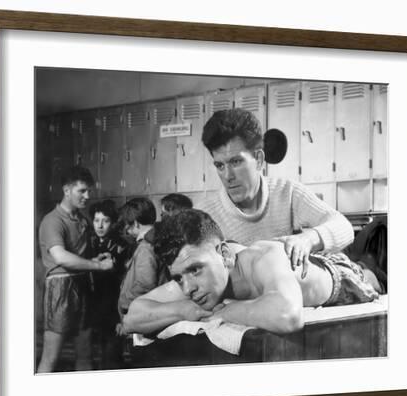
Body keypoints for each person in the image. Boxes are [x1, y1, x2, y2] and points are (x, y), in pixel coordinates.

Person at [123, 209, 380, 336]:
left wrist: (224, 311)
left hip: (345, 277)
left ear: (224, 255)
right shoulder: (193, 278)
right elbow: (133, 315)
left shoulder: (263, 258)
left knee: (384, 271)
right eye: (179, 277)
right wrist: (183, 310)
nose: (188, 288)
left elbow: (288, 316)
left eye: (195, 270)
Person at [198, 108, 354, 277]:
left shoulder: (288, 192)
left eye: (236, 162)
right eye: (220, 165)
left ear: (258, 160)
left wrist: (307, 239)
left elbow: (344, 227)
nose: (227, 176)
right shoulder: (203, 215)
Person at [37, 166, 114, 373]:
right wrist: (98, 265)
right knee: (51, 357)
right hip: (60, 290)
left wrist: (94, 258)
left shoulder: (82, 220)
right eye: (82, 191)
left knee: (85, 354)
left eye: (89, 191)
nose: (87, 196)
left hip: (82, 286)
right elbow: (61, 257)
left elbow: (79, 258)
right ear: (67, 190)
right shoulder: (52, 221)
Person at [88, 199, 129, 369]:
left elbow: (124, 280)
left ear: (112, 223)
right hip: (95, 304)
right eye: (97, 220)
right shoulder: (90, 243)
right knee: (98, 351)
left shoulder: (121, 245)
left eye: (105, 221)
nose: (100, 225)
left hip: (114, 305)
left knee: (112, 353)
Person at [117, 197, 169, 320]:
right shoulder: (157, 238)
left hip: (143, 313)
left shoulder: (146, 247)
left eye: (127, 226)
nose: (127, 231)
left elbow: (145, 285)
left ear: (135, 223)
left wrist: (124, 302)